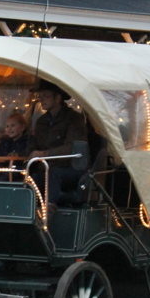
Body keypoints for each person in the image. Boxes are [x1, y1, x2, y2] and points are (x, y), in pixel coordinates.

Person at [27, 79, 88, 221]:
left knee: (53, 174)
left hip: (73, 169)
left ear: (58, 98)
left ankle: (48, 210)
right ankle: (27, 210)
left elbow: (72, 147)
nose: (41, 99)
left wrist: (46, 154)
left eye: (45, 96)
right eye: (40, 96)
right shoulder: (41, 122)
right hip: (49, 168)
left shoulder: (74, 119)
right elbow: (35, 145)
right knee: (32, 177)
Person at [0, 113, 29, 182]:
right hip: (2, 168)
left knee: (4, 178)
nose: (9, 129)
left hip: (17, 169)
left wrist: (17, 156)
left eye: (13, 126)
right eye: (7, 126)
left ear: (22, 127)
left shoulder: (27, 142)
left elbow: (26, 155)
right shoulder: (4, 142)